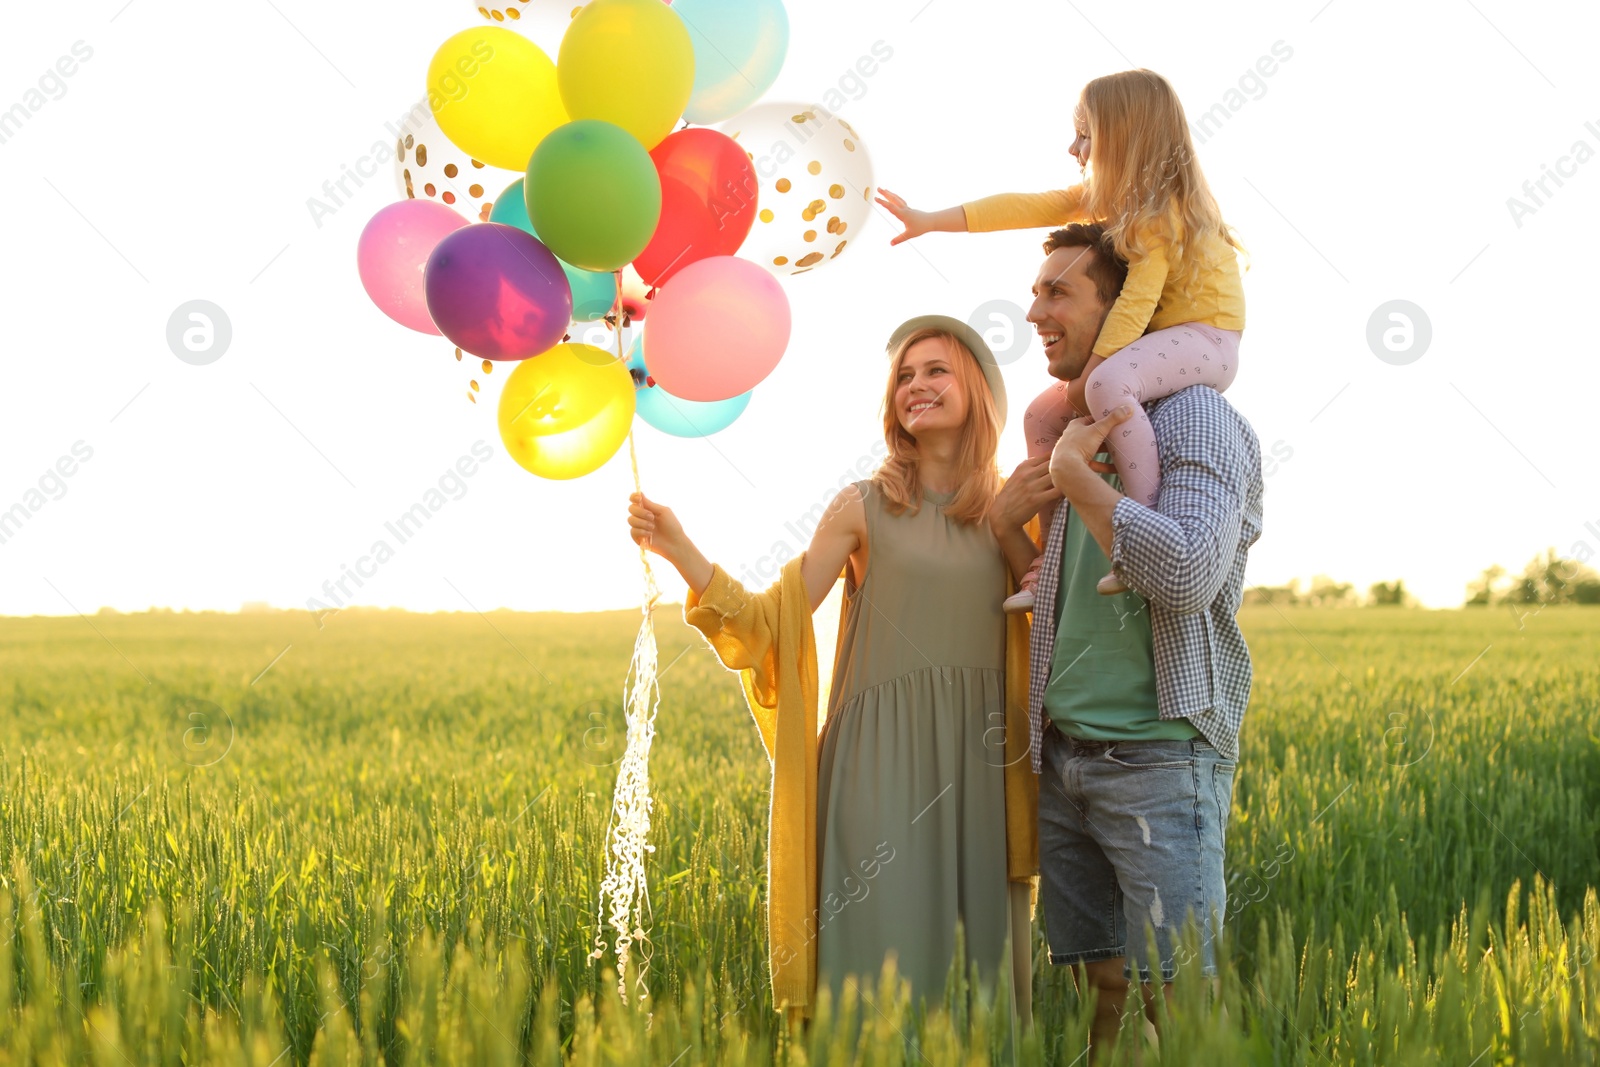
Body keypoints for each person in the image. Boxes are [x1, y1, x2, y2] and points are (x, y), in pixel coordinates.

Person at [626, 317, 1039, 1027]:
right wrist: (681, 548)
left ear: (978, 385)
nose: (916, 386)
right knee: (881, 975)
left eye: (935, 370)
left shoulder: (1014, 510)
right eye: (905, 377)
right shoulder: (864, 507)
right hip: (878, 768)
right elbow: (769, 623)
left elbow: (1055, 618)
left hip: (983, 765)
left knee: (986, 989)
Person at [984, 220, 1263, 1057]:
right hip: (1064, 755)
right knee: (1094, 993)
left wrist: (1078, 482)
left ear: (1124, 312)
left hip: (1158, 757)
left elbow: (1184, 576)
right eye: (1035, 291)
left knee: (1178, 1001)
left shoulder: (1198, 421)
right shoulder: (1076, 423)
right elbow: (1062, 589)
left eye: (1056, 291)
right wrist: (1007, 528)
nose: (1034, 310)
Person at [877, 67, 1247, 601]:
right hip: (1166, 340)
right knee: (1041, 414)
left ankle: (1137, 532)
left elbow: (1137, 302)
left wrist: (1094, 372)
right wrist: (932, 219)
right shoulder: (1113, 203)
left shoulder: (1157, 214)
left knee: (1103, 387)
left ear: (1124, 138)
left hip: (1208, 339)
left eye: (1085, 134)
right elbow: (1027, 206)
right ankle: (1047, 561)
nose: (1073, 146)